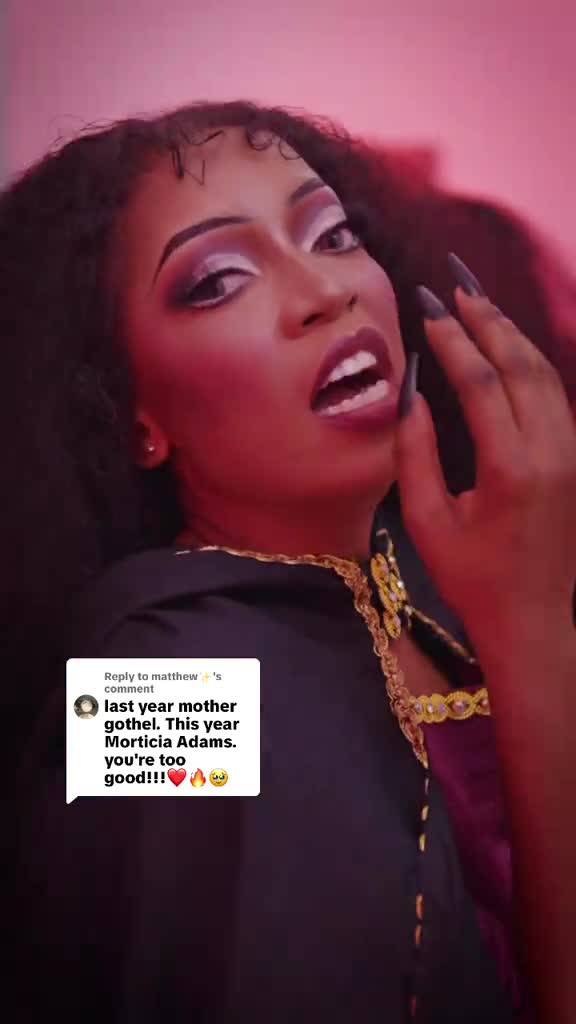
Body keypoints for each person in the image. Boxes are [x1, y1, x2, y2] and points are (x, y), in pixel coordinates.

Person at [4, 100, 576, 1023]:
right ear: (127, 412)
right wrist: (535, 634)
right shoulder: (149, 687)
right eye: (217, 282)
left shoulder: (451, 580)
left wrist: (529, 620)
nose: (324, 290)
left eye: (334, 235)